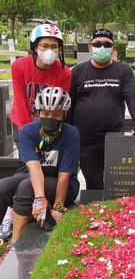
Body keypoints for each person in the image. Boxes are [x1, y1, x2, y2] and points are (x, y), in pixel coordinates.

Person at [0, 23, 71, 243]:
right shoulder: (20, 67)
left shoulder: (64, 72)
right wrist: (29, 135)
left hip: (50, 125)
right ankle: (11, 215)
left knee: (34, 172)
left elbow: (60, 104)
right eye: (44, 45)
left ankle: (24, 207)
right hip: (25, 124)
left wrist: (50, 130)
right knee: (26, 167)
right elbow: (21, 101)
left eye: (54, 46)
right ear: (34, 47)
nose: (49, 50)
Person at [0, 86, 79, 245]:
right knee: (2, 187)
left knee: (26, 188)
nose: (50, 117)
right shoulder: (28, 132)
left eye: (56, 114)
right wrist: (40, 198)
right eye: (45, 113)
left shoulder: (71, 134)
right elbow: (34, 167)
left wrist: (57, 207)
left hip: (63, 185)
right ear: (38, 113)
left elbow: (64, 176)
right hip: (36, 177)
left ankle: (15, 244)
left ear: (64, 115)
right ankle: (4, 226)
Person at [68, 28, 135, 190]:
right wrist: (68, 132)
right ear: (90, 47)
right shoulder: (78, 71)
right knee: (94, 182)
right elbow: (70, 103)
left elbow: (131, 97)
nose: (101, 47)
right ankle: (96, 213)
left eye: (106, 44)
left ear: (113, 48)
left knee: (116, 182)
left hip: (114, 135)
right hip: (86, 139)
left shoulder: (124, 71)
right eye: (97, 44)